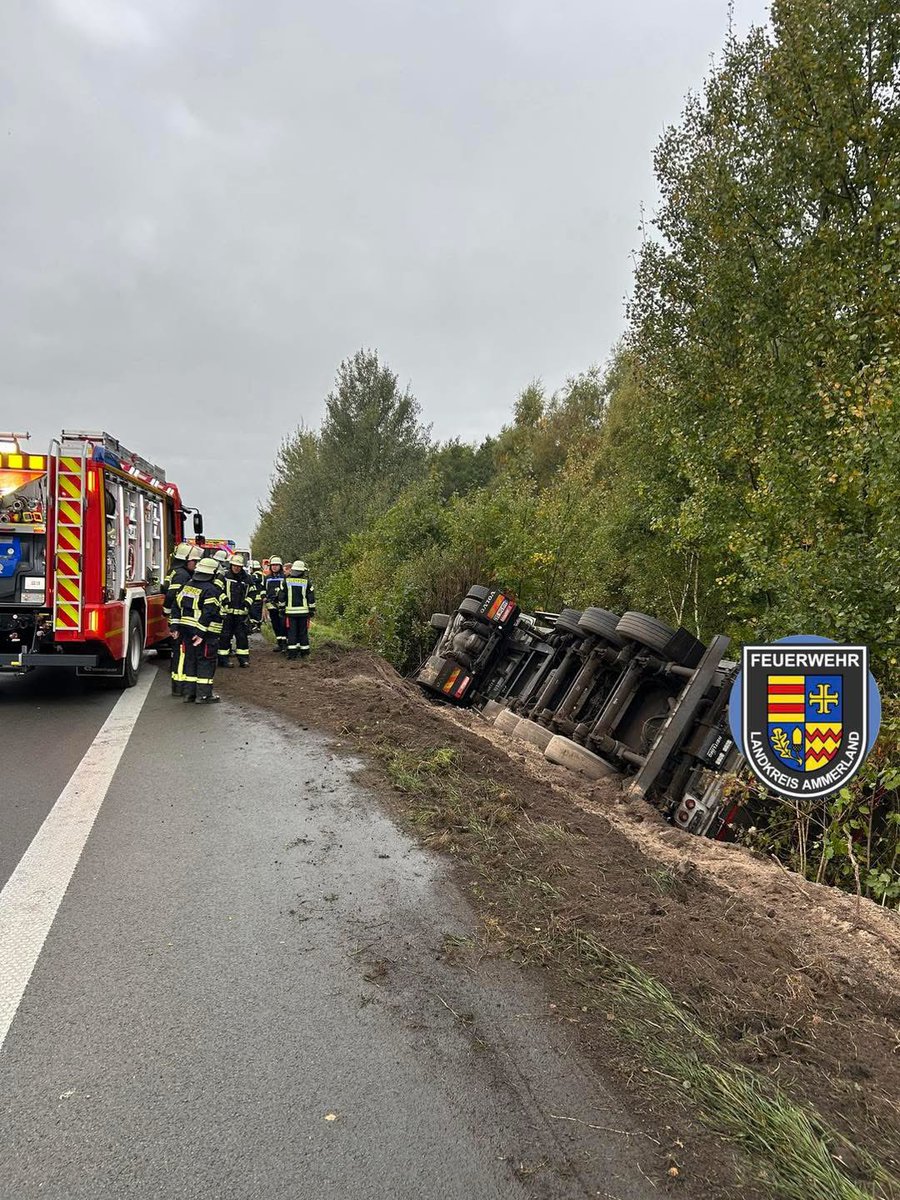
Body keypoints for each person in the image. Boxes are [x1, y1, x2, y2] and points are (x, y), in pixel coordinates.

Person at [172, 556, 222, 703]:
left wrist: (174, 627)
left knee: (190, 661)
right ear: (212, 573)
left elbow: (176, 607)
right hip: (205, 634)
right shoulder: (211, 590)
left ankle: (189, 694)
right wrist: (200, 633)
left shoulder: (186, 586)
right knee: (205, 661)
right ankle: (204, 695)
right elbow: (208, 613)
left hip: (185, 631)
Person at [164, 545, 203, 695]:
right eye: (194, 561)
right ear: (185, 560)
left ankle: (179, 686)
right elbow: (172, 595)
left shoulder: (178, 571)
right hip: (180, 620)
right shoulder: (182, 575)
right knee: (181, 653)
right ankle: (179, 687)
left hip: (178, 619)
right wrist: (168, 613)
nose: (196, 564)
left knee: (179, 652)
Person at [219, 553, 252, 668]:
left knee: (242, 637)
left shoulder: (247, 578)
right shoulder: (224, 576)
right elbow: (217, 590)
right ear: (231, 565)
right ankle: (223, 659)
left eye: (238, 566)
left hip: (241, 614)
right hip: (227, 613)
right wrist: (225, 600)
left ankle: (243, 660)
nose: (236, 568)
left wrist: (247, 603)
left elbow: (253, 593)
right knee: (225, 636)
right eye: (234, 566)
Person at [284, 559, 317, 660]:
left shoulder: (286, 581)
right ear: (302, 571)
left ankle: (292, 654)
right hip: (303, 613)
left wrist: (281, 608)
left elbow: (281, 596)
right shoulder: (307, 582)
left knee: (292, 632)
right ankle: (304, 653)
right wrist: (311, 610)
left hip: (290, 613)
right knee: (303, 632)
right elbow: (311, 598)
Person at [265, 556, 288, 652]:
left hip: (282, 605)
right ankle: (279, 643)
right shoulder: (267, 578)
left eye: (276, 565)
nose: (274, 567)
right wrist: (264, 597)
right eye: (273, 565)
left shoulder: (285, 577)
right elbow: (263, 589)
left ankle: (284, 644)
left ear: (280, 566)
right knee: (275, 624)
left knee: (283, 624)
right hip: (271, 605)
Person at [248, 560, 265, 629]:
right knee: (259, 614)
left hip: (254, 598)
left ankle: (254, 626)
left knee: (253, 613)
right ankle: (258, 626)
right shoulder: (264, 575)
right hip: (261, 598)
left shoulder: (253, 576)